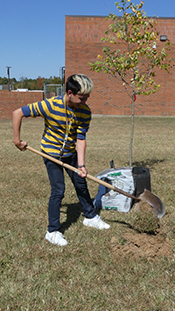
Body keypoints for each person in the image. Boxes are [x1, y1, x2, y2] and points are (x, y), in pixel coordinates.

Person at [12, 74, 110, 246]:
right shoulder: (50, 105)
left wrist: (81, 165)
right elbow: (18, 113)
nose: (85, 101)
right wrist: (17, 140)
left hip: (70, 153)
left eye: (87, 97)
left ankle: (90, 217)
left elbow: (80, 138)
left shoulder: (85, 111)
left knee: (81, 182)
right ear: (70, 92)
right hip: (51, 153)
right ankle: (53, 231)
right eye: (82, 98)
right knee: (58, 190)